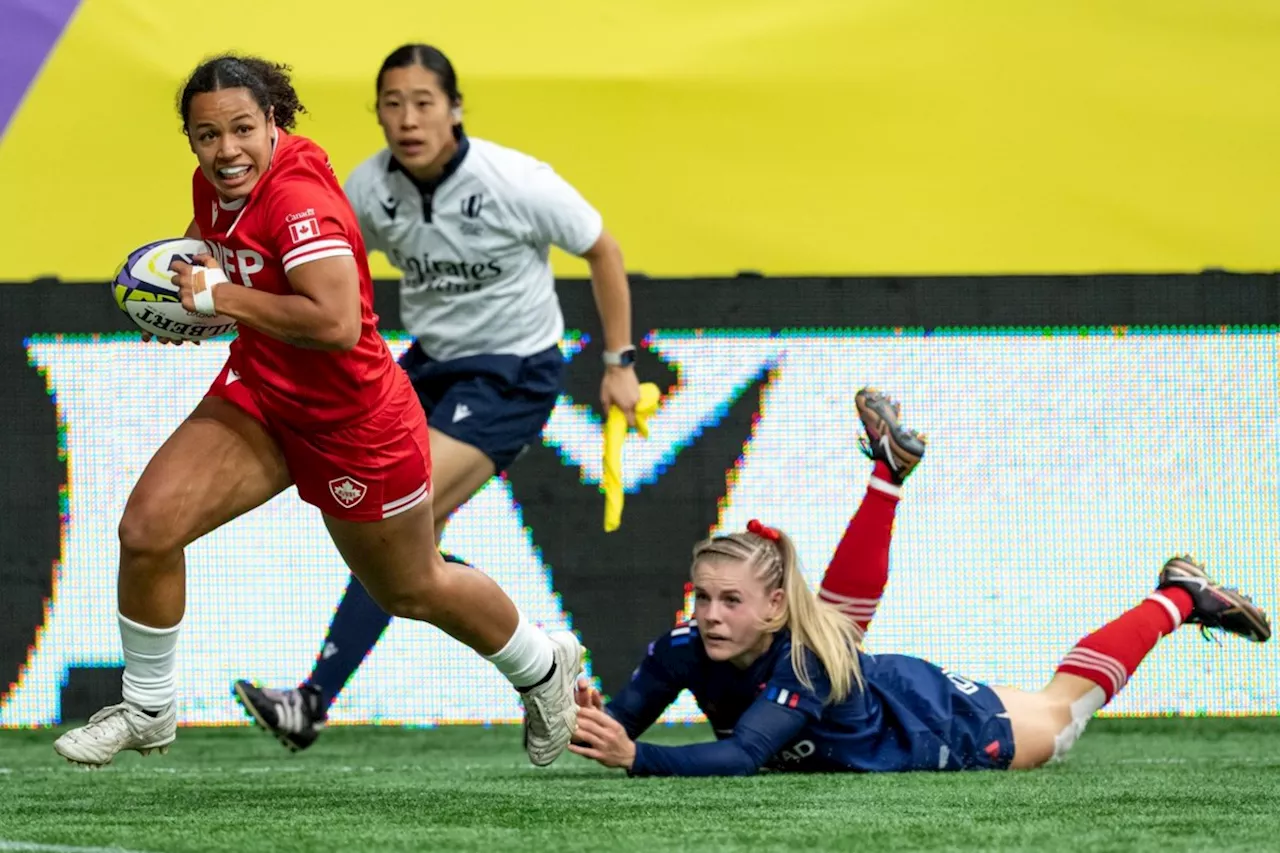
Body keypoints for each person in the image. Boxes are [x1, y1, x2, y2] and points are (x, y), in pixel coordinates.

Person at [52, 54, 583, 768]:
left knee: (410, 585)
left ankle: (542, 666)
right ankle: (149, 706)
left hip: (353, 421)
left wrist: (221, 299)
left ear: (274, 121)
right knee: (146, 528)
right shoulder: (216, 186)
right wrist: (182, 298)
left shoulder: (299, 197)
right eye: (207, 136)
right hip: (263, 392)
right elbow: (213, 259)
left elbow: (333, 323)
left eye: (242, 128)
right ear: (191, 139)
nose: (226, 150)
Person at [229, 43, 638, 751]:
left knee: (406, 527)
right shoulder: (365, 190)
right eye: (392, 103)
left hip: (512, 373)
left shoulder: (513, 180)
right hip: (425, 364)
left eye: (424, 102)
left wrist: (618, 361)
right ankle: (323, 700)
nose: (408, 119)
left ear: (453, 109)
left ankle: (534, 659)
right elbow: (323, 272)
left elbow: (602, 248)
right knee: (395, 559)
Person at [568, 389, 1272, 775]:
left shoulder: (802, 659)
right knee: (834, 631)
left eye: (728, 599)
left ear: (773, 604)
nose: (709, 614)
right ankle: (886, 474)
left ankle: (1179, 596)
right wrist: (587, 718)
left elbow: (746, 753)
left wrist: (640, 760)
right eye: (702, 597)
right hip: (865, 677)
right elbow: (617, 726)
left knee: (1061, 720)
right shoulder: (684, 648)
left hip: (934, 719)